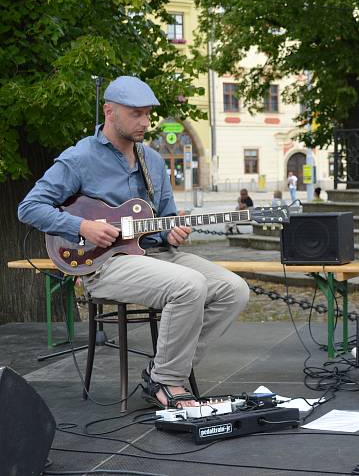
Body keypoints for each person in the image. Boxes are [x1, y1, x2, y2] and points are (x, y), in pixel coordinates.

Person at [17, 76, 250, 409]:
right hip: (104, 264)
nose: (146, 122)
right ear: (110, 112)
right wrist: (82, 226)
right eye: (136, 114)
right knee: (189, 285)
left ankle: (163, 370)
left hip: (156, 255)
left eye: (148, 114)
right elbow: (29, 207)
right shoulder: (80, 157)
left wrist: (175, 232)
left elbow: (166, 220)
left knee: (234, 290)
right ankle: (168, 383)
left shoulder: (152, 161)